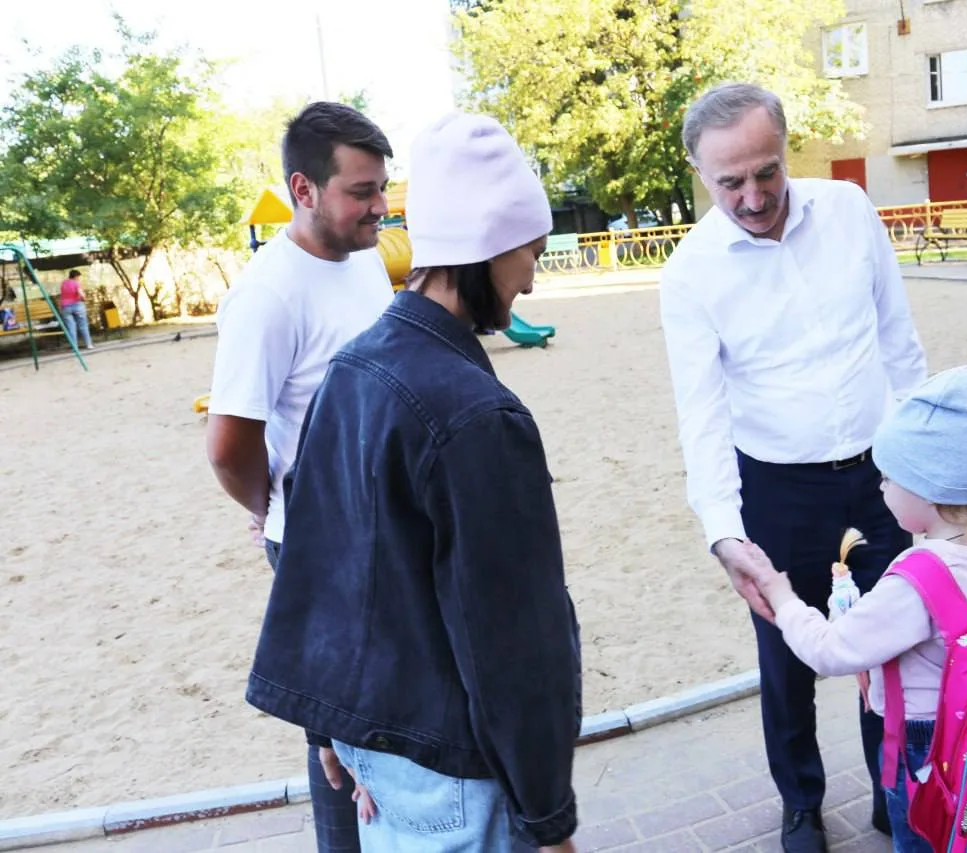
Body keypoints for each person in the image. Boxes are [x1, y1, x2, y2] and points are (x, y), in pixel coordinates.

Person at [244, 111, 582, 852]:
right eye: (530, 249)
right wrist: (551, 818)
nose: (531, 272)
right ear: (489, 246)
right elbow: (514, 639)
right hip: (450, 767)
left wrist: (333, 724)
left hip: (378, 744)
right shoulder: (477, 415)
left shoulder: (355, 365)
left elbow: (319, 565)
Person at [658, 82, 927, 853]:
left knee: (898, 639)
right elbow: (701, 413)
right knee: (786, 658)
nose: (751, 196)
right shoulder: (689, 273)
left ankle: (894, 784)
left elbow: (900, 344)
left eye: (765, 172)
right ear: (701, 177)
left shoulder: (848, 212)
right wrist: (722, 532)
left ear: (785, 148)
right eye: (728, 182)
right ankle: (802, 804)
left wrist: (925, 467)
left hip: (882, 474)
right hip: (775, 489)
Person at [737, 365, 967, 853]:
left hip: (927, 748)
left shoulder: (918, 578)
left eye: (887, 478)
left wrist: (781, 594)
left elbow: (832, 652)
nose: (877, 491)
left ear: (924, 492)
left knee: (923, 837)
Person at [205, 100, 395, 853]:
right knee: (337, 744)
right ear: (304, 189)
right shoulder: (267, 293)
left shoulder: (367, 258)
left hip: (385, 531)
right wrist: (277, 509)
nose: (379, 205)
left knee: (386, 719)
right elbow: (228, 442)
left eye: (382, 186)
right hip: (320, 549)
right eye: (361, 191)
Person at [59, 270, 93, 350]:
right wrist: (84, 298)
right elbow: (81, 293)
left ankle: (75, 347)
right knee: (83, 326)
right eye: (79, 277)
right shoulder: (76, 283)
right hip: (77, 306)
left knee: (71, 328)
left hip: (65, 307)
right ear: (76, 276)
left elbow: (63, 294)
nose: (79, 279)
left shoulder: (64, 283)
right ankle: (88, 344)